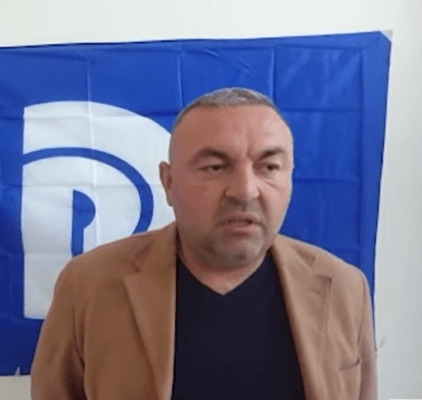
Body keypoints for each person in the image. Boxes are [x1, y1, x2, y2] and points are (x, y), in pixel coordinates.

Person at [30, 88, 376, 400]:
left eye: (269, 167)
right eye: (214, 167)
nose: (245, 191)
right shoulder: (89, 285)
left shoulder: (344, 288)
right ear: (168, 183)